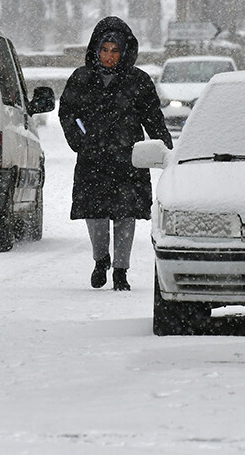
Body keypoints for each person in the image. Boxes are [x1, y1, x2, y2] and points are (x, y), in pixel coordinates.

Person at [59, 16, 173, 291]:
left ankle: (121, 270)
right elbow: (67, 113)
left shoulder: (138, 82)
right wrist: (80, 140)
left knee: (125, 216)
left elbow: (153, 119)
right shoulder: (81, 78)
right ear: (96, 50)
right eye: (104, 50)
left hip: (128, 160)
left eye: (115, 50)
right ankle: (101, 260)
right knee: (95, 214)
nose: (109, 56)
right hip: (93, 159)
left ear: (125, 52)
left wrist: (166, 151)